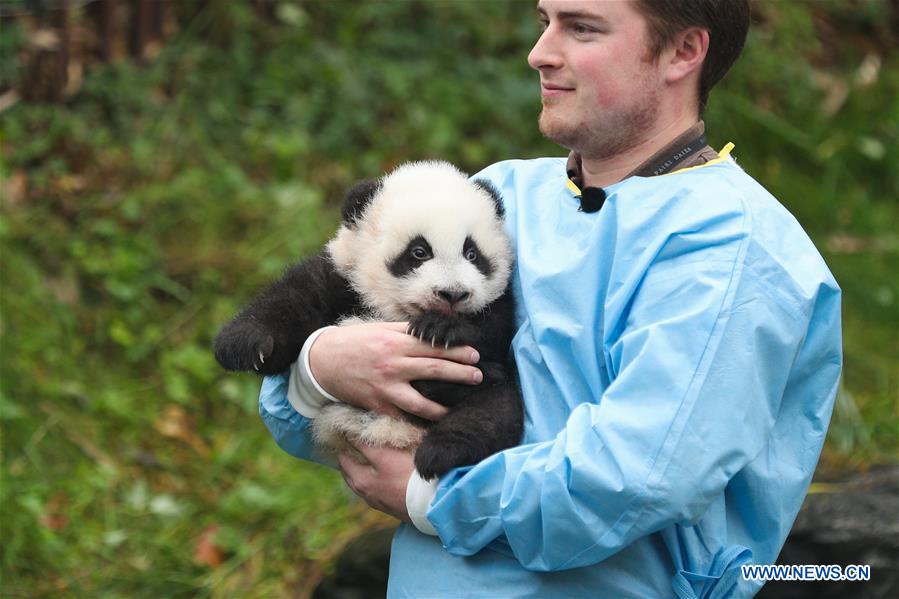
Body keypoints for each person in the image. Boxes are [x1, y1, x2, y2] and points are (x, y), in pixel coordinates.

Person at [258, 1, 843, 596]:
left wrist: (435, 498)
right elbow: (300, 408)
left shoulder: (733, 249)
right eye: (546, 21)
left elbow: (638, 477)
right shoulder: (501, 193)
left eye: (581, 27)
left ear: (683, 53)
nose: (540, 53)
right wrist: (319, 368)